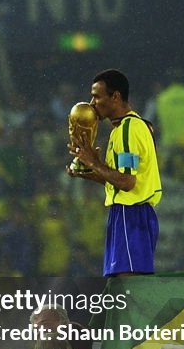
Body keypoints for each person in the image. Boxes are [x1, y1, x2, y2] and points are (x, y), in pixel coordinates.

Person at [68, 69, 162, 276]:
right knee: (119, 289)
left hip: (131, 215)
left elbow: (128, 182)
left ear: (115, 96)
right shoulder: (122, 129)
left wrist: (95, 162)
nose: (92, 103)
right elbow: (120, 182)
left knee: (128, 288)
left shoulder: (129, 129)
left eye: (97, 96)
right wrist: (88, 170)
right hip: (127, 214)